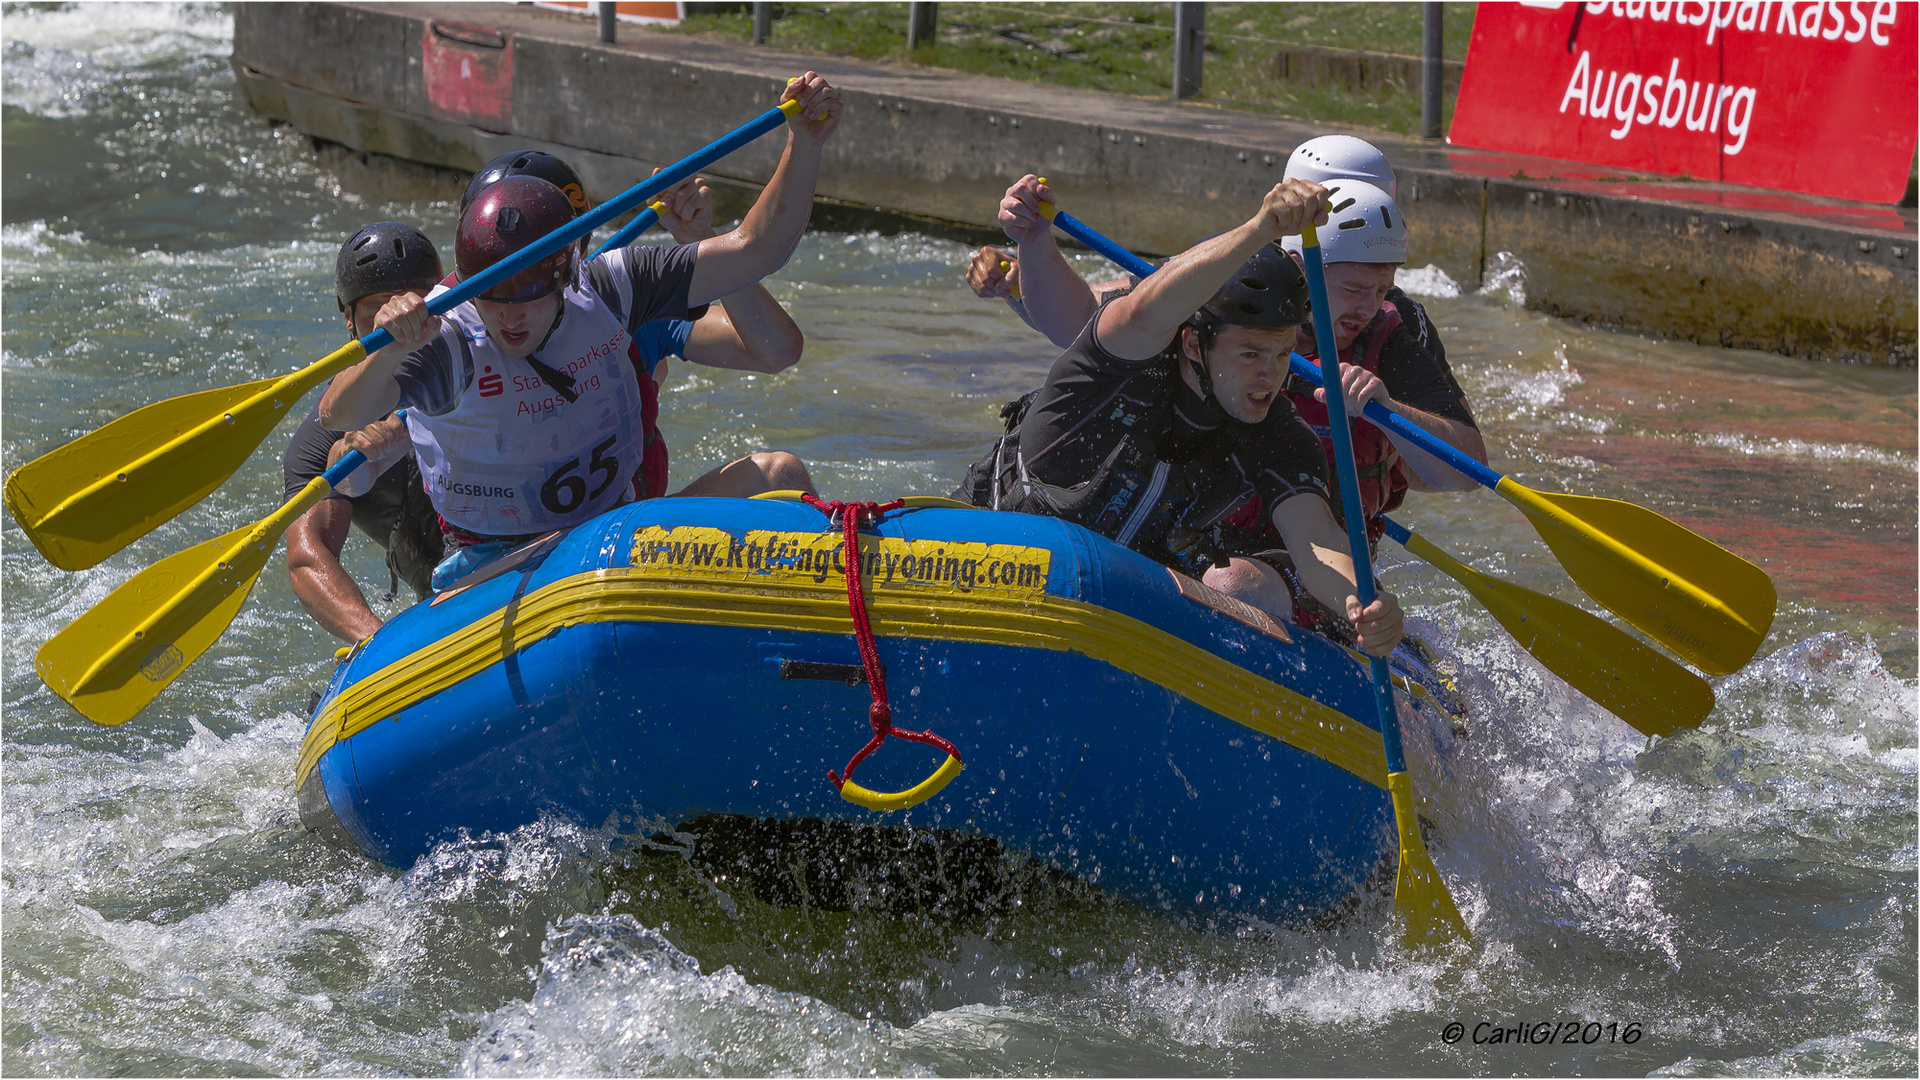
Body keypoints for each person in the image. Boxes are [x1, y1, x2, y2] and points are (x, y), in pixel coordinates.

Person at [320, 73, 841, 592]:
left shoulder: (612, 287)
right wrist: (389, 350)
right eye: (494, 299)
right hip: (498, 569)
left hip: (615, 536)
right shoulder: (449, 337)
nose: (510, 319)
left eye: (528, 297)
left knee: (781, 474)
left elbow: (757, 250)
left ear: (566, 274)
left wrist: (805, 142)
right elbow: (338, 413)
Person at [955, 179, 1405, 658]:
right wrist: (1260, 228)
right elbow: (1151, 306)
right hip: (995, 557)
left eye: (1282, 353)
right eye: (1250, 353)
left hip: (1112, 609)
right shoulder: (1117, 361)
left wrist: (1364, 602)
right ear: (1194, 343)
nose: (1269, 376)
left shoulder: (1277, 431)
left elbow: (1316, 541)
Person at [452, 148, 805, 500]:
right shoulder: (449, 340)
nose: (512, 309)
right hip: (512, 548)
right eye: (497, 283)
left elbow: (775, 350)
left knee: (779, 474)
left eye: (533, 276)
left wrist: (699, 237)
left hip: (623, 535)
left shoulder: (619, 309)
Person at [283, 222, 448, 643]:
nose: (400, 317)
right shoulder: (322, 439)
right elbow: (307, 557)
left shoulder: (492, 346)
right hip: (445, 584)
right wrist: (380, 645)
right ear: (349, 319)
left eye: (415, 302)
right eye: (379, 306)